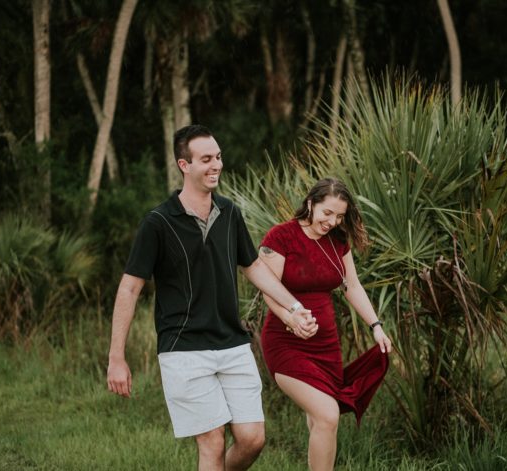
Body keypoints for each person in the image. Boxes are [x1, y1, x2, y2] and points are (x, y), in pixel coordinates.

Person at [106, 125, 318, 471]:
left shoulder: (230, 212)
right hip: (184, 348)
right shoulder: (158, 222)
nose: (216, 165)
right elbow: (129, 288)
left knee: (252, 439)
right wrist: (117, 357)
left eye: (218, 157)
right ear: (184, 165)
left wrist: (293, 308)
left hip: (232, 344)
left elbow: (254, 268)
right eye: (206, 159)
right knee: (213, 442)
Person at [258, 177, 392, 471]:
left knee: (320, 420)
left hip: (326, 344)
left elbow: (352, 287)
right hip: (286, 341)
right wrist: (289, 318)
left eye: (340, 216)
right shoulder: (281, 236)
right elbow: (268, 288)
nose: (332, 222)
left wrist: (376, 325)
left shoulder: (337, 242)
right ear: (311, 204)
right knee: (328, 414)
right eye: (327, 213)